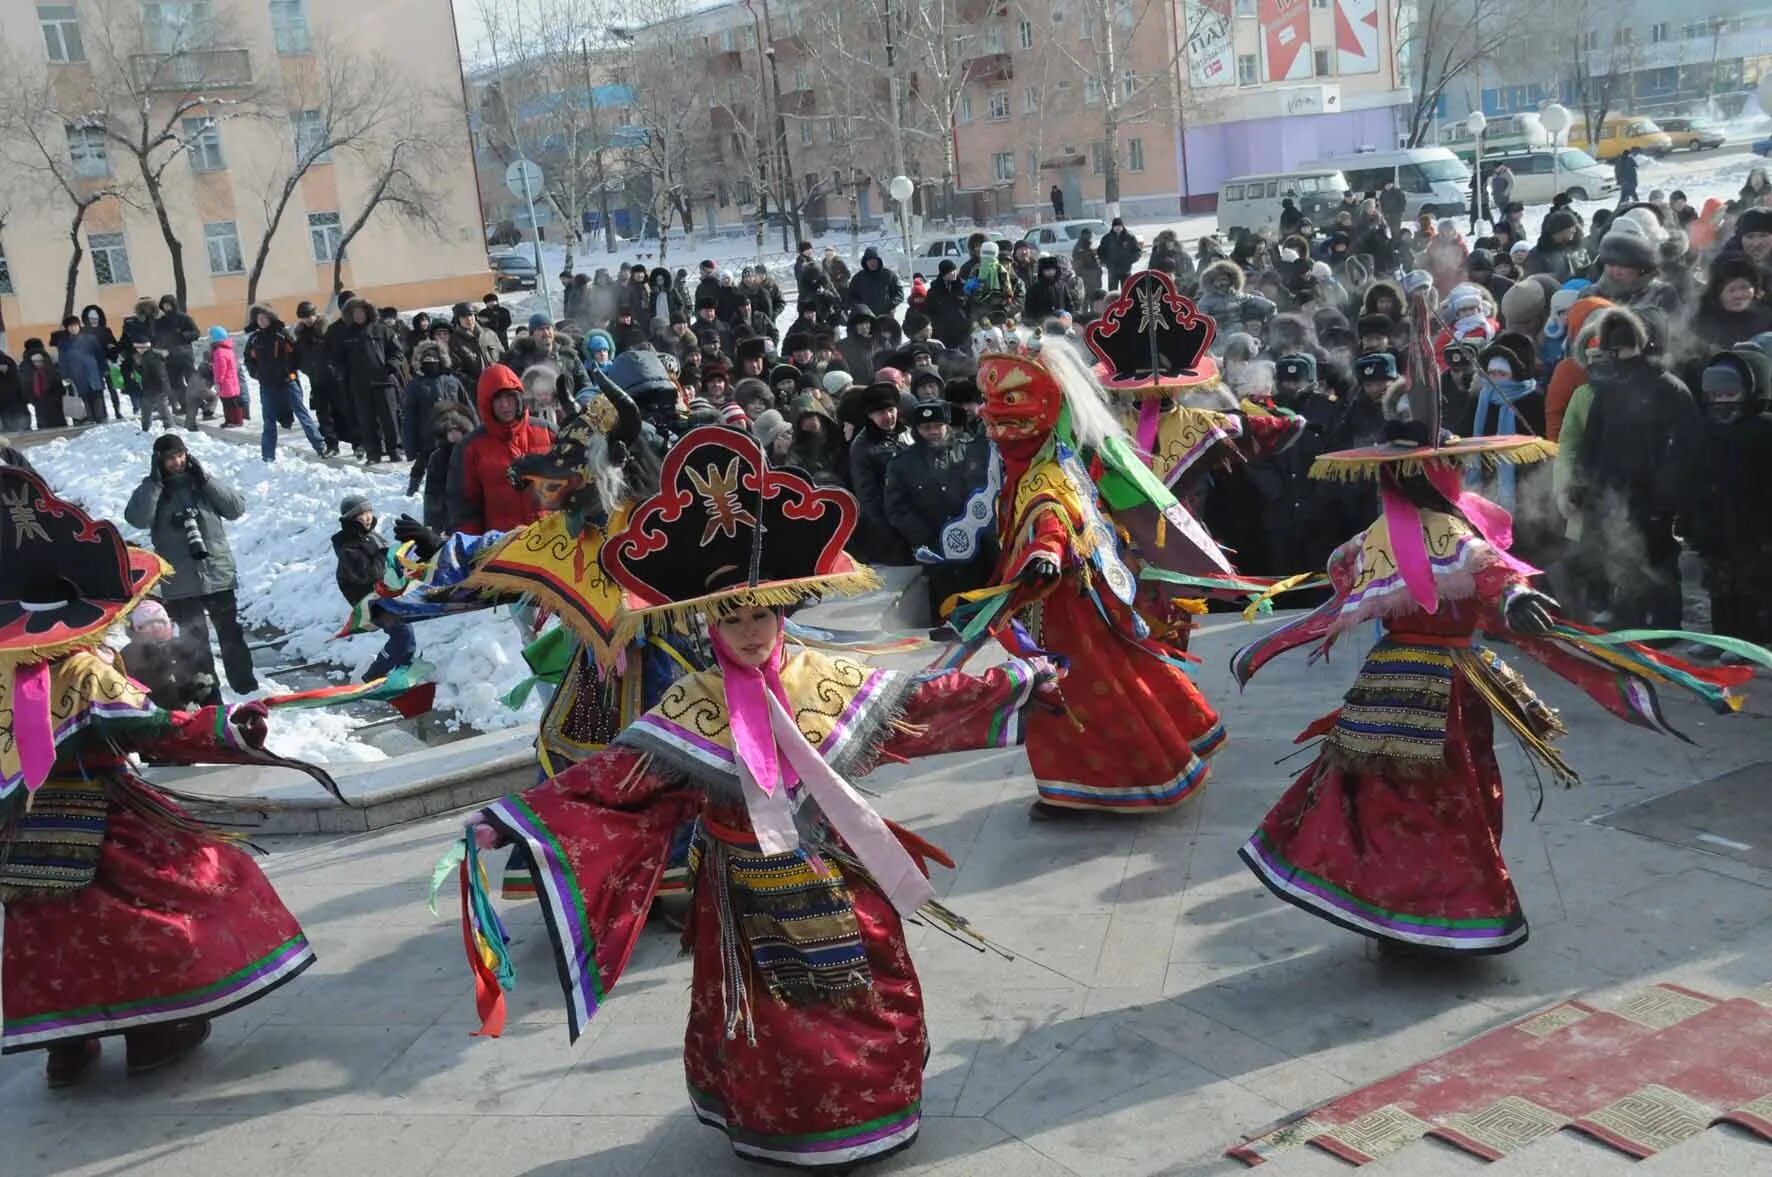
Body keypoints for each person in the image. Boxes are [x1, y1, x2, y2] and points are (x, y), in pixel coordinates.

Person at [449, 435, 1053, 1168]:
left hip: (835, 870)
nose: (748, 631)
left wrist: (1013, 684)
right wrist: (508, 820)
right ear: (710, 623)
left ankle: (875, 1114)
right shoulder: (690, 703)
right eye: (732, 619)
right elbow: (611, 779)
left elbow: (919, 707)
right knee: (765, 1020)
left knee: (864, 988)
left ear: (783, 614)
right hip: (739, 888)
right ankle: (784, 1128)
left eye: (761, 616)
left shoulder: (822, 677)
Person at [1233, 423, 1754, 956]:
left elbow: (1370, 575)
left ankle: (1391, 908)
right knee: (1447, 799)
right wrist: (1513, 599)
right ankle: (1437, 912)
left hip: (1392, 677)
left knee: (1380, 795)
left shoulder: (1380, 534)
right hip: (1446, 686)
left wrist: (1512, 598)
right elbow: (1491, 577)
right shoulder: (1445, 530)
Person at [0, 465, 327, 1088]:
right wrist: (227, 726)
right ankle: (156, 1030)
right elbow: (156, 729)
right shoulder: (83, 672)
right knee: (202, 878)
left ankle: (67, 1047)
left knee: (46, 931)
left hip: (23, 830)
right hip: (105, 811)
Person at [1563, 306, 1697, 628]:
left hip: (1652, 496)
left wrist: (1667, 498)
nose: (1618, 356)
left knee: (1659, 559)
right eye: (1611, 349)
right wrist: (1581, 482)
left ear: (1645, 344)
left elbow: (1683, 450)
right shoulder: (1608, 392)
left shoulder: (1672, 391)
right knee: (1618, 556)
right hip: (1610, 491)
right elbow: (1590, 442)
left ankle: (1666, 624)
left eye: (1624, 347)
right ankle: (1628, 617)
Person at [122, 434, 258, 699]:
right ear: (159, 461)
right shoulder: (154, 490)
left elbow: (235, 508)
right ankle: (207, 691)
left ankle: (246, 687)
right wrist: (155, 484)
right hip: (181, 581)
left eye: (181, 455)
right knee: (194, 642)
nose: (177, 462)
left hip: (217, 573)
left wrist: (206, 479)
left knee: (232, 635)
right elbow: (138, 518)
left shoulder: (202, 484)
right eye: (170, 458)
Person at [448, 363, 555, 533]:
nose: (505, 405)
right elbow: (465, 509)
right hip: (504, 547)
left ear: (519, 398)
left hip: (553, 541)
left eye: (509, 397)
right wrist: (474, 548)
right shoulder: (470, 448)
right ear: (486, 404)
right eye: (497, 399)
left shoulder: (548, 432)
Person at [332, 494, 416, 681]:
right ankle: (372, 677)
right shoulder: (348, 545)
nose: (368, 516)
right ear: (351, 518)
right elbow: (367, 573)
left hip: (384, 594)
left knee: (405, 635)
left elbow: (386, 565)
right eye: (362, 513)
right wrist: (384, 556)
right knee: (402, 636)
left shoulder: (370, 536)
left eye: (369, 511)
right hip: (368, 600)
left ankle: (403, 672)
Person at [242, 305, 327, 462]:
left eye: (264, 318)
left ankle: (319, 445)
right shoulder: (255, 339)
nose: (261, 321)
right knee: (268, 421)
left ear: (270, 318)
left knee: (302, 414)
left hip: (287, 382)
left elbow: (297, 353)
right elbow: (248, 359)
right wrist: (256, 373)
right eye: (259, 319)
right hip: (267, 385)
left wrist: (289, 370)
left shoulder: (282, 334)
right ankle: (267, 455)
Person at [847, 381, 912, 564]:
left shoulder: (907, 433)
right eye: (880, 413)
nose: (888, 417)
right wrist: (888, 534)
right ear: (870, 416)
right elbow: (867, 497)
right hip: (890, 528)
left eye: (891, 410)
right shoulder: (862, 447)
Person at [399, 339, 474, 495]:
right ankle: (412, 491)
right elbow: (408, 417)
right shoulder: (415, 386)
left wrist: (475, 431)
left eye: (435, 359)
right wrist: (410, 445)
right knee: (423, 463)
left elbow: (467, 407)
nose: (432, 362)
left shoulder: (452, 381)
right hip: (428, 436)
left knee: (457, 464)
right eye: (427, 360)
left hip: (455, 433)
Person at [341, 298, 405, 463]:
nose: (358, 315)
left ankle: (394, 450)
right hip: (360, 384)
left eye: (361, 312)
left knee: (390, 418)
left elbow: (397, 353)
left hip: (384, 381)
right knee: (367, 420)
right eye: (354, 313)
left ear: (368, 312)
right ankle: (373, 453)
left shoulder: (383, 331)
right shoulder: (347, 335)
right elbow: (338, 358)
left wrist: (390, 367)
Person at [292, 301, 341, 455]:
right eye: (303, 317)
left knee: (341, 411)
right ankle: (331, 444)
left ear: (315, 314)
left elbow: (337, 351)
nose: (307, 320)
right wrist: (307, 369)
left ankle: (357, 444)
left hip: (333, 377)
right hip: (316, 379)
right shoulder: (301, 334)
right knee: (323, 412)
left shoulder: (327, 330)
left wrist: (333, 367)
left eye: (309, 316)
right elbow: (299, 356)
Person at [152, 294, 200, 419]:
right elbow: (157, 337)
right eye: (164, 305)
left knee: (192, 381)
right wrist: (159, 347)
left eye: (169, 304)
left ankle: (200, 403)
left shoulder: (184, 318)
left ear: (174, 304)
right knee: (175, 383)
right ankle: (185, 405)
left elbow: (196, 333)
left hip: (185, 354)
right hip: (170, 356)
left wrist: (183, 335)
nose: (167, 307)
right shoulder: (161, 322)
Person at [55, 315, 107, 423]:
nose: (74, 328)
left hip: (93, 373)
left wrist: (103, 369)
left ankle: (100, 417)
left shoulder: (90, 339)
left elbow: (100, 355)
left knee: (97, 395)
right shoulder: (64, 343)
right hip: (76, 375)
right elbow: (62, 360)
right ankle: (87, 418)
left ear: (79, 326)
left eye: (75, 326)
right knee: (83, 397)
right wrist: (65, 376)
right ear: (67, 329)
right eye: (71, 327)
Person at [132, 337, 175, 433]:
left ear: (142, 347)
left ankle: (169, 428)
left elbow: (160, 374)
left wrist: (162, 388)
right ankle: (146, 429)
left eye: (137, 347)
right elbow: (144, 372)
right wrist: (137, 365)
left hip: (157, 388)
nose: (137, 350)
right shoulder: (145, 357)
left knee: (160, 409)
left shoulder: (153, 358)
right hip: (151, 388)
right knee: (147, 409)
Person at [848, 246, 904, 317]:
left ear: (879, 261)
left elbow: (899, 294)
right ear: (865, 262)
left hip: (886, 317)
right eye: (869, 260)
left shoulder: (889, 275)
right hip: (866, 318)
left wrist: (890, 305)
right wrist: (861, 307)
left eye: (874, 260)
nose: (872, 263)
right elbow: (851, 296)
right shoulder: (858, 278)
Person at [206, 326, 244, 427]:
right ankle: (233, 420)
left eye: (210, 337)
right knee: (232, 402)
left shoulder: (219, 352)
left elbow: (220, 369)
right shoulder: (227, 349)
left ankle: (234, 421)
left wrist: (218, 382)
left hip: (225, 383)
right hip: (231, 381)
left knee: (228, 403)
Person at [1024, 255, 1082, 321]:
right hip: (1041, 324)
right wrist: (1032, 322)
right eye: (1047, 270)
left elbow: (1069, 304)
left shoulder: (1062, 286)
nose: (1050, 272)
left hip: (1061, 322)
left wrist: (1070, 317)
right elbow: (1029, 310)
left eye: (1052, 269)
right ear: (1042, 271)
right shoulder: (1034, 289)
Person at [1098, 217, 1144, 288]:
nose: (1118, 228)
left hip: (1126, 270)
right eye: (1116, 226)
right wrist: (1105, 261)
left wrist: (1129, 260)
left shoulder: (1129, 237)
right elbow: (1101, 252)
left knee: (1127, 291)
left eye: (1119, 226)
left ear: (1122, 226)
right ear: (1113, 227)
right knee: (1113, 293)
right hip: (1112, 270)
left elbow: (1137, 251)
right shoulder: (1107, 238)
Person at [1072, 228, 1104, 304]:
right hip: (1088, 273)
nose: (1091, 238)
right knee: (1089, 294)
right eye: (1090, 235)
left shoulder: (1082, 246)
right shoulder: (1082, 247)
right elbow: (1079, 262)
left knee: (1089, 294)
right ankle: (1088, 312)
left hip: (1090, 273)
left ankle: (1090, 311)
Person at [0, 348, 27, 433]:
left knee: (12, 425)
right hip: (13, 400)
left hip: (8, 401)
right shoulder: (8, 360)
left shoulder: (5, 361)